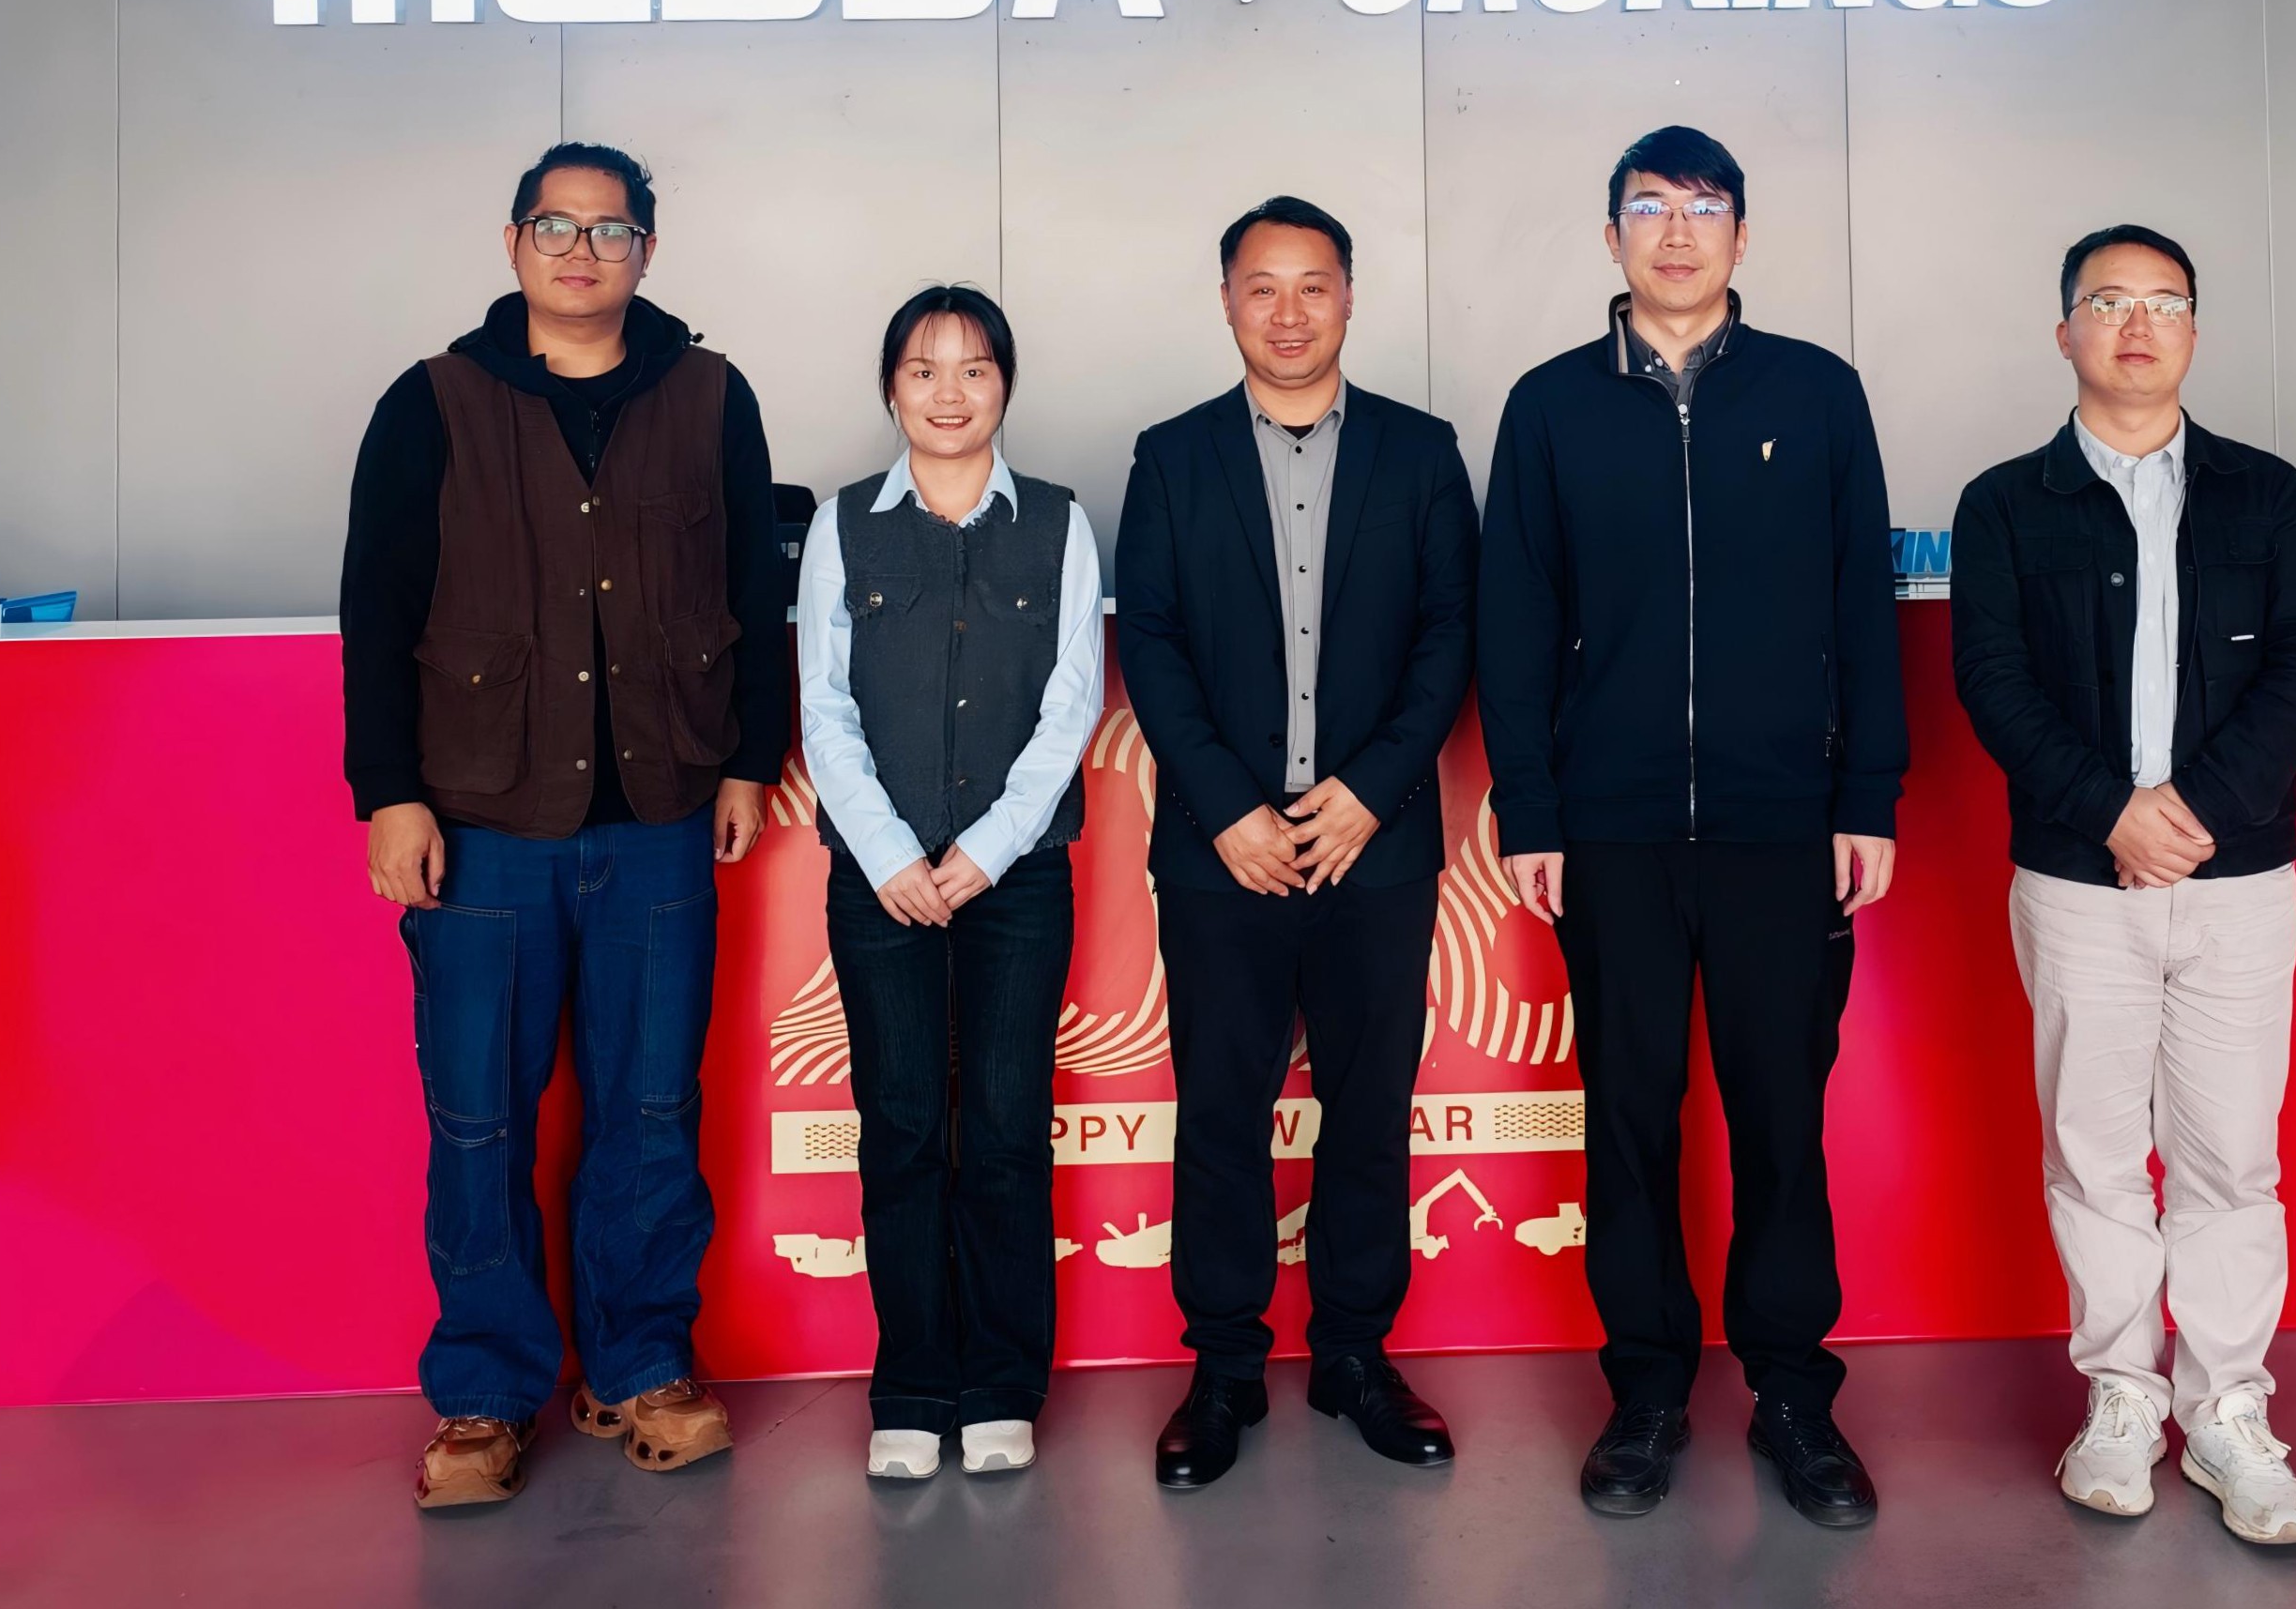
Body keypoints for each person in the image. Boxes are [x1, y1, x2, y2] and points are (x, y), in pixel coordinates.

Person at [342, 141, 786, 1510]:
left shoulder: (709, 395)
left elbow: (753, 591)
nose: (581, 250)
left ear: (648, 249)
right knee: (478, 1118)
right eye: (556, 225)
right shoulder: (432, 402)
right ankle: (483, 1393)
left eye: (608, 229)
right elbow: (375, 605)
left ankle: (640, 1365)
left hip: (660, 817)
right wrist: (388, 791)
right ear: (513, 242)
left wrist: (747, 761)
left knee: (649, 1107)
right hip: (482, 824)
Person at [1475, 125, 1907, 1532]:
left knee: (1782, 1117)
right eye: (1650, 207)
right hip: (1612, 829)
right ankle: (1647, 1391)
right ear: (1611, 236)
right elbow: (1515, 622)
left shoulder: (1817, 392)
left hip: (1785, 825)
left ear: (1741, 234)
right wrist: (1533, 806)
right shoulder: (1550, 406)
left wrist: (1868, 794)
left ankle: (1791, 1393)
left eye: (1704, 206)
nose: (1677, 230)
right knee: (1628, 1116)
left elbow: (1860, 607)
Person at [1948, 224, 2296, 1549]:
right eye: (2108, 301)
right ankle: (2120, 1397)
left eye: (2163, 302)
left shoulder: (2265, 494)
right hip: (2077, 880)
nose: (2136, 324)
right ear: (2064, 330)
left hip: (2238, 879)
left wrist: (2191, 814)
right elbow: (1992, 683)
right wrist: (2111, 812)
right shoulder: (2006, 503)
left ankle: (2228, 1409)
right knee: (2094, 1149)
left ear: (2193, 331)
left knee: (2233, 1155)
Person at [1116, 198, 1480, 1491]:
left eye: (1312, 285)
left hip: (1374, 844)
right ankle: (1222, 1366)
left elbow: (1451, 633)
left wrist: (1372, 791)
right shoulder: (1172, 457)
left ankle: (1354, 1355)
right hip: (1224, 851)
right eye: (1261, 287)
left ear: (1348, 297)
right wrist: (1226, 808)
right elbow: (1150, 638)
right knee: (1221, 1111)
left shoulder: (1422, 453)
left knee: (1367, 1111)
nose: (1287, 311)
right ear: (1227, 301)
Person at [794, 285, 1102, 1484]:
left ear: (1004, 385)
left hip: (1015, 880)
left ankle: (1002, 1383)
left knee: (1008, 1130)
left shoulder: (1060, 522)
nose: (949, 392)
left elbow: (1071, 701)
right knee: (905, 1125)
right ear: (891, 388)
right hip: (880, 884)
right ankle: (914, 1386)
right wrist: (887, 853)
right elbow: (824, 705)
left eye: (973, 368)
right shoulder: (842, 526)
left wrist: (987, 848)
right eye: (923, 369)